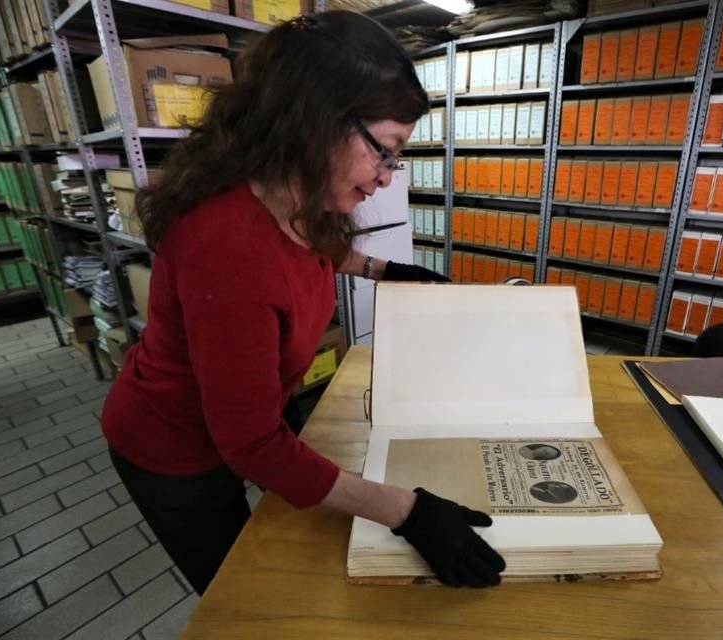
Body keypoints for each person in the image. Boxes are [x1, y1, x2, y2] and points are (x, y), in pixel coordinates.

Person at [101, 11, 505, 594]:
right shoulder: (226, 245)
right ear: (318, 122)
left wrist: (385, 270)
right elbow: (251, 445)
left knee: (296, 534)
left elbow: (311, 250)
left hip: (253, 409)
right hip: (173, 447)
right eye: (384, 152)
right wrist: (407, 511)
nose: (387, 178)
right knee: (241, 594)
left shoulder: (292, 190)